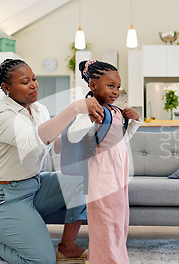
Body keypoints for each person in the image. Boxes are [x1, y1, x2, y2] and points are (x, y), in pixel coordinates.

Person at [0, 58, 104, 264]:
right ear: (6, 88)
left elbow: (51, 146)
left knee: (83, 177)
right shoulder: (1, 115)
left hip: (34, 186)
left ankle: (68, 247)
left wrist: (86, 132)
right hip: (1, 198)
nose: (33, 84)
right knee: (41, 261)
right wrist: (74, 108)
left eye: (34, 79)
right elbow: (33, 141)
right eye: (25, 81)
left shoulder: (40, 110)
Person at [67, 60, 142, 264]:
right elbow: (73, 137)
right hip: (102, 172)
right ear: (93, 85)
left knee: (119, 220)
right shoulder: (90, 110)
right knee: (105, 220)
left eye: (118, 87)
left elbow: (122, 140)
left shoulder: (116, 112)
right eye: (111, 86)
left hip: (119, 173)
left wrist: (134, 121)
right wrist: (88, 118)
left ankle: (115, 257)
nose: (116, 91)